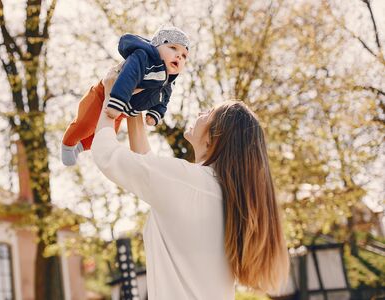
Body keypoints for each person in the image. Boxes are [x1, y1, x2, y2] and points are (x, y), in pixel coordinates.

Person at [91, 66, 290, 299]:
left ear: (215, 137)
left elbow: (106, 154)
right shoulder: (226, 197)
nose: (200, 113)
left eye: (208, 113)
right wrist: (134, 110)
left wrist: (111, 95)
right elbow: (149, 168)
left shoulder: (189, 182)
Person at [61, 26, 190, 166]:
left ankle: (80, 146)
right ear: (156, 46)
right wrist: (116, 100)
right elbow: (128, 77)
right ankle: (68, 144)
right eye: (173, 48)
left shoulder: (169, 82)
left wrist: (155, 113)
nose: (179, 56)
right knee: (85, 124)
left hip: (122, 111)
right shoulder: (143, 58)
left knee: (104, 135)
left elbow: (164, 99)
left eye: (184, 56)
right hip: (104, 97)